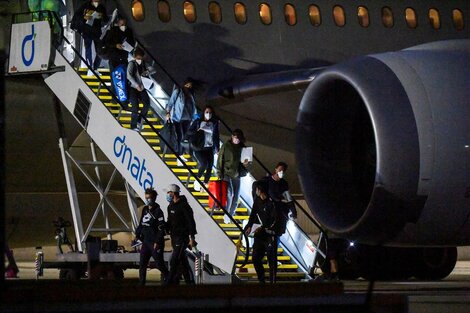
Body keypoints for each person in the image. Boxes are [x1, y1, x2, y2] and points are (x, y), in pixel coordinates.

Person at [164, 184, 197, 285]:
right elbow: (169, 221)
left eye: (168, 193)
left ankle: (169, 283)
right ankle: (189, 282)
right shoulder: (170, 206)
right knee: (183, 262)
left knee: (174, 261)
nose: (167, 195)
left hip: (182, 238)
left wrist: (192, 238)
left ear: (173, 193)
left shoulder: (184, 206)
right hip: (174, 237)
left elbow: (191, 222)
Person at [135, 188, 169, 285]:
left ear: (154, 198)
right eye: (146, 198)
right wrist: (137, 234)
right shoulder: (145, 209)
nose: (147, 200)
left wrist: (157, 242)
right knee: (142, 264)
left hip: (154, 242)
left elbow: (161, 228)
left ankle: (169, 277)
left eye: (149, 198)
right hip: (146, 242)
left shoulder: (158, 212)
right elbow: (142, 223)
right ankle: (141, 284)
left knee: (159, 264)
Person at [244, 181, 276, 283]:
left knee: (271, 261)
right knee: (255, 258)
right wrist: (249, 226)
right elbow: (253, 214)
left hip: (269, 235)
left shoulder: (271, 203)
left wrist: (263, 227)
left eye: (256, 189)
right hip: (259, 235)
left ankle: (272, 282)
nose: (255, 191)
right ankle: (261, 280)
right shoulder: (257, 200)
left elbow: (273, 219)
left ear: (260, 190)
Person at [216, 128, 249, 224]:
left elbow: (244, 163)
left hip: (237, 174)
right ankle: (227, 213)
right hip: (226, 173)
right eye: (235, 138)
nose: (237, 140)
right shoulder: (226, 146)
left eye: (238, 138)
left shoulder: (242, 148)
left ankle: (229, 214)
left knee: (236, 197)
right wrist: (219, 173)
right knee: (230, 193)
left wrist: (245, 164)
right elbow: (220, 159)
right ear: (232, 137)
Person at [71, 0, 108, 76]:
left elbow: (106, 19)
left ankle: (95, 68)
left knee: (100, 50)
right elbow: (77, 15)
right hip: (87, 30)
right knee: (88, 49)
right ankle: (90, 68)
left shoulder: (101, 7)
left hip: (97, 31)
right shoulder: (85, 6)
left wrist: (102, 16)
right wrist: (84, 17)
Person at [187, 105, 220, 191]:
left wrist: (217, 148)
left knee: (210, 166)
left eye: (210, 112)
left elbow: (216, 136)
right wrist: (197, 130)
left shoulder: (214, 123)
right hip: (199, 147)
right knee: (204, 163)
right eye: (207, 112)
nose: (208, 114)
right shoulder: (198, 122)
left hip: (210, 147)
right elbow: (189, 131)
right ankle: (197, 179)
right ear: (204, 113)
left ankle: (205, 183)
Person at [165, 78, 198, 162]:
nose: (188, 87)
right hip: (178, 118)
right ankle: (179, 155)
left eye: (190, 86)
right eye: (187, 85)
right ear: (184, 84)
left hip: (187, 119)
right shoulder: (178, 91)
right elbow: (171, 102)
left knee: (184, 138)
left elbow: (194, 107)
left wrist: (194, 117)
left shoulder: (192, 94)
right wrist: (168, 112)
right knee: (180, 136)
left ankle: (180, 154)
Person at [127, 48, 151, 131]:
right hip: (133, 88)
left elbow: (153, 69)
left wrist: (147, 72)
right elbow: (129, 76)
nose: (139, 60)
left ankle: (139, 120)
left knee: (147, 104)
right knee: (135, 106)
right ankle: (133, 125)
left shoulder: (144, 63)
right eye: (138, 58)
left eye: (140, 58)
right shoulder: (132, 64)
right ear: (134, 57)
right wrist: (136, 85)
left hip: (143, 87)